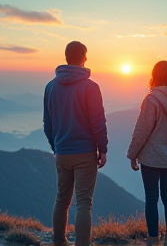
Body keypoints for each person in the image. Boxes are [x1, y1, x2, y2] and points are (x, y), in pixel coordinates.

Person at [43, 41, 108, 246]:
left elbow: (48, 124)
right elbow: (98, 122)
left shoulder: (50, 86)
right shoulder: (91, 87)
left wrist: (57, 147)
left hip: (62, 152)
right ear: (82, 57)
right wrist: (103, 149)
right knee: (83, 203)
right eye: (86, 55)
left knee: (62, 199)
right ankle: (82, 243)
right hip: (85, 153)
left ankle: (59, 241)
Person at [127, 61, 167, 245]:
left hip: (151, 158)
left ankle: (153, 238)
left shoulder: (152, 100)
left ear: (154, 76)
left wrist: (132, 154)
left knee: (151, 198)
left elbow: (142, 130)